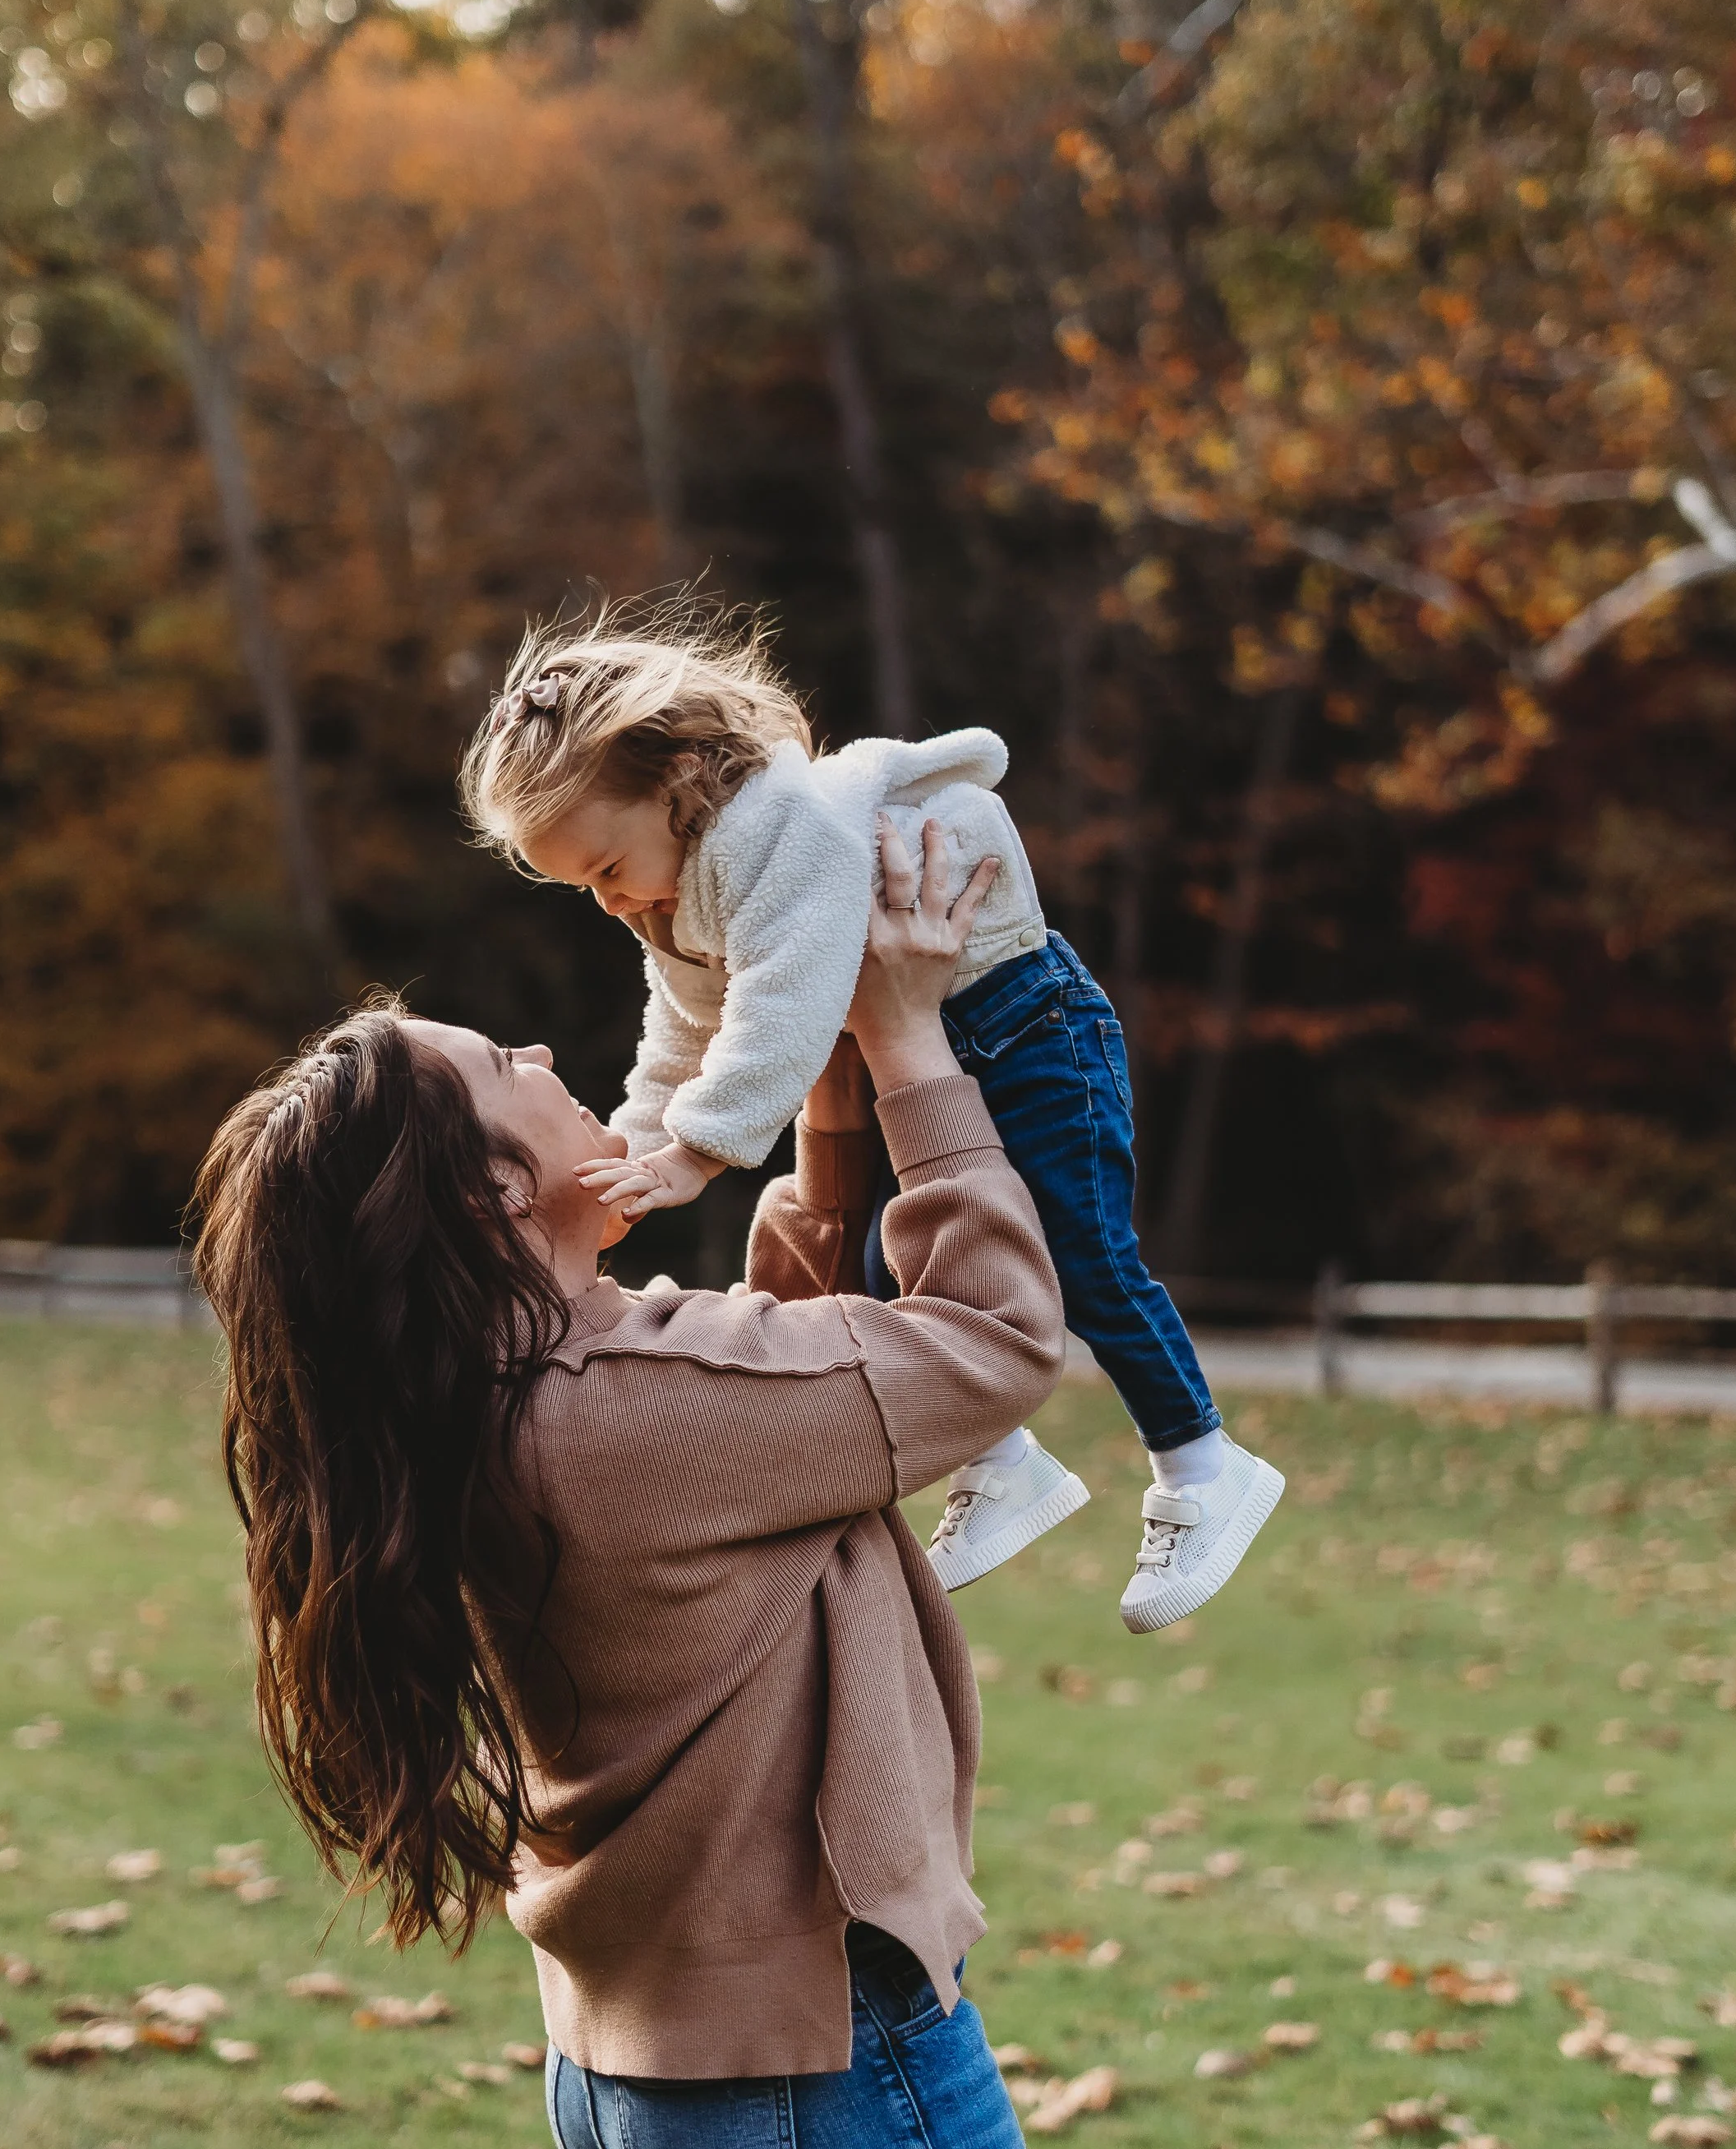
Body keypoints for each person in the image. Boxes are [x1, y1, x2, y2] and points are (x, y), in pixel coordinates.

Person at [191, 823, 1075, 2149]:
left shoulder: (515, 1406)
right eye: (501, 1060)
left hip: (648, 2083)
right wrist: (911, 1044)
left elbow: (794, 1351)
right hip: (824, 2073)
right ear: (499, 1191)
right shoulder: (630, 1418)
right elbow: (989, 1343)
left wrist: (820, 1063)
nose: (545, 1049)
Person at [459, 592, 1282, 1630]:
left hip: (1026, 1024)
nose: (611, 903)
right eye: (584, 887)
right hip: (936, 1038)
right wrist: (638, 1141)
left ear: (677, 782)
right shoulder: (679, 892)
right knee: (897, 1268)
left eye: (608, 869)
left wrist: (698, 1153)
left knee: (1085, 1255)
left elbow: (784, 1007)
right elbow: (683, 1029)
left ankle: (1202, 1462)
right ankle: (1003, 1464)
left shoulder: (779, 830)